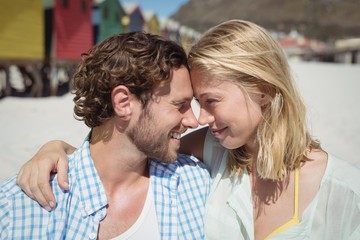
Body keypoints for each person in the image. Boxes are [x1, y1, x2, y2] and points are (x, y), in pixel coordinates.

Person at [14, 20, 360, 239]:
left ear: (265, 90)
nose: (200, 118)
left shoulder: (345, 191)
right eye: (190, 103)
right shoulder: (211, 150)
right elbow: (120, 150)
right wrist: (57, 148)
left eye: (210, 100)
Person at [0, 31, 211, 239]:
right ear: (123, 103)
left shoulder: (197, 184)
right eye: (180, 105)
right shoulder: (17, 208)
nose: (194, 121)